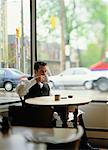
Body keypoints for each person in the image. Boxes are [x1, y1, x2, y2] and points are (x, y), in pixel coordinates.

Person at [16, 61, 99, 150]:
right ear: (35, 71)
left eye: (45, 71)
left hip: (49, 110)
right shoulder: (27, 82)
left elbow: (50, 96)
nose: (44, 73)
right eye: (42, 71)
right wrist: (34, 80)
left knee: (76, 111)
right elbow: (20, 92)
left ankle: (84, 145)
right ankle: (64, 145)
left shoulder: (46, 84)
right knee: (64, 115)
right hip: (35, 114)